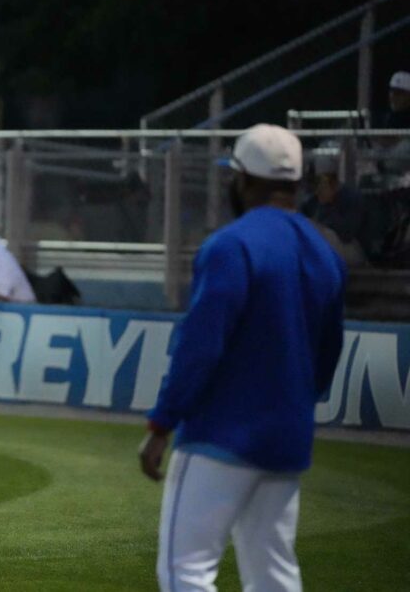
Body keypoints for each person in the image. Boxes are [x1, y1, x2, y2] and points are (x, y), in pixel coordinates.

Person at [138, 124, 346, 592]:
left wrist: (160, 425)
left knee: (184, 571)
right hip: (287, 437)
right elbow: (328, 353)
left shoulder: (232, 245)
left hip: (222, 434)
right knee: (273, 572)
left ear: (243, 179)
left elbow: (201, 344)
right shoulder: (324, 252)